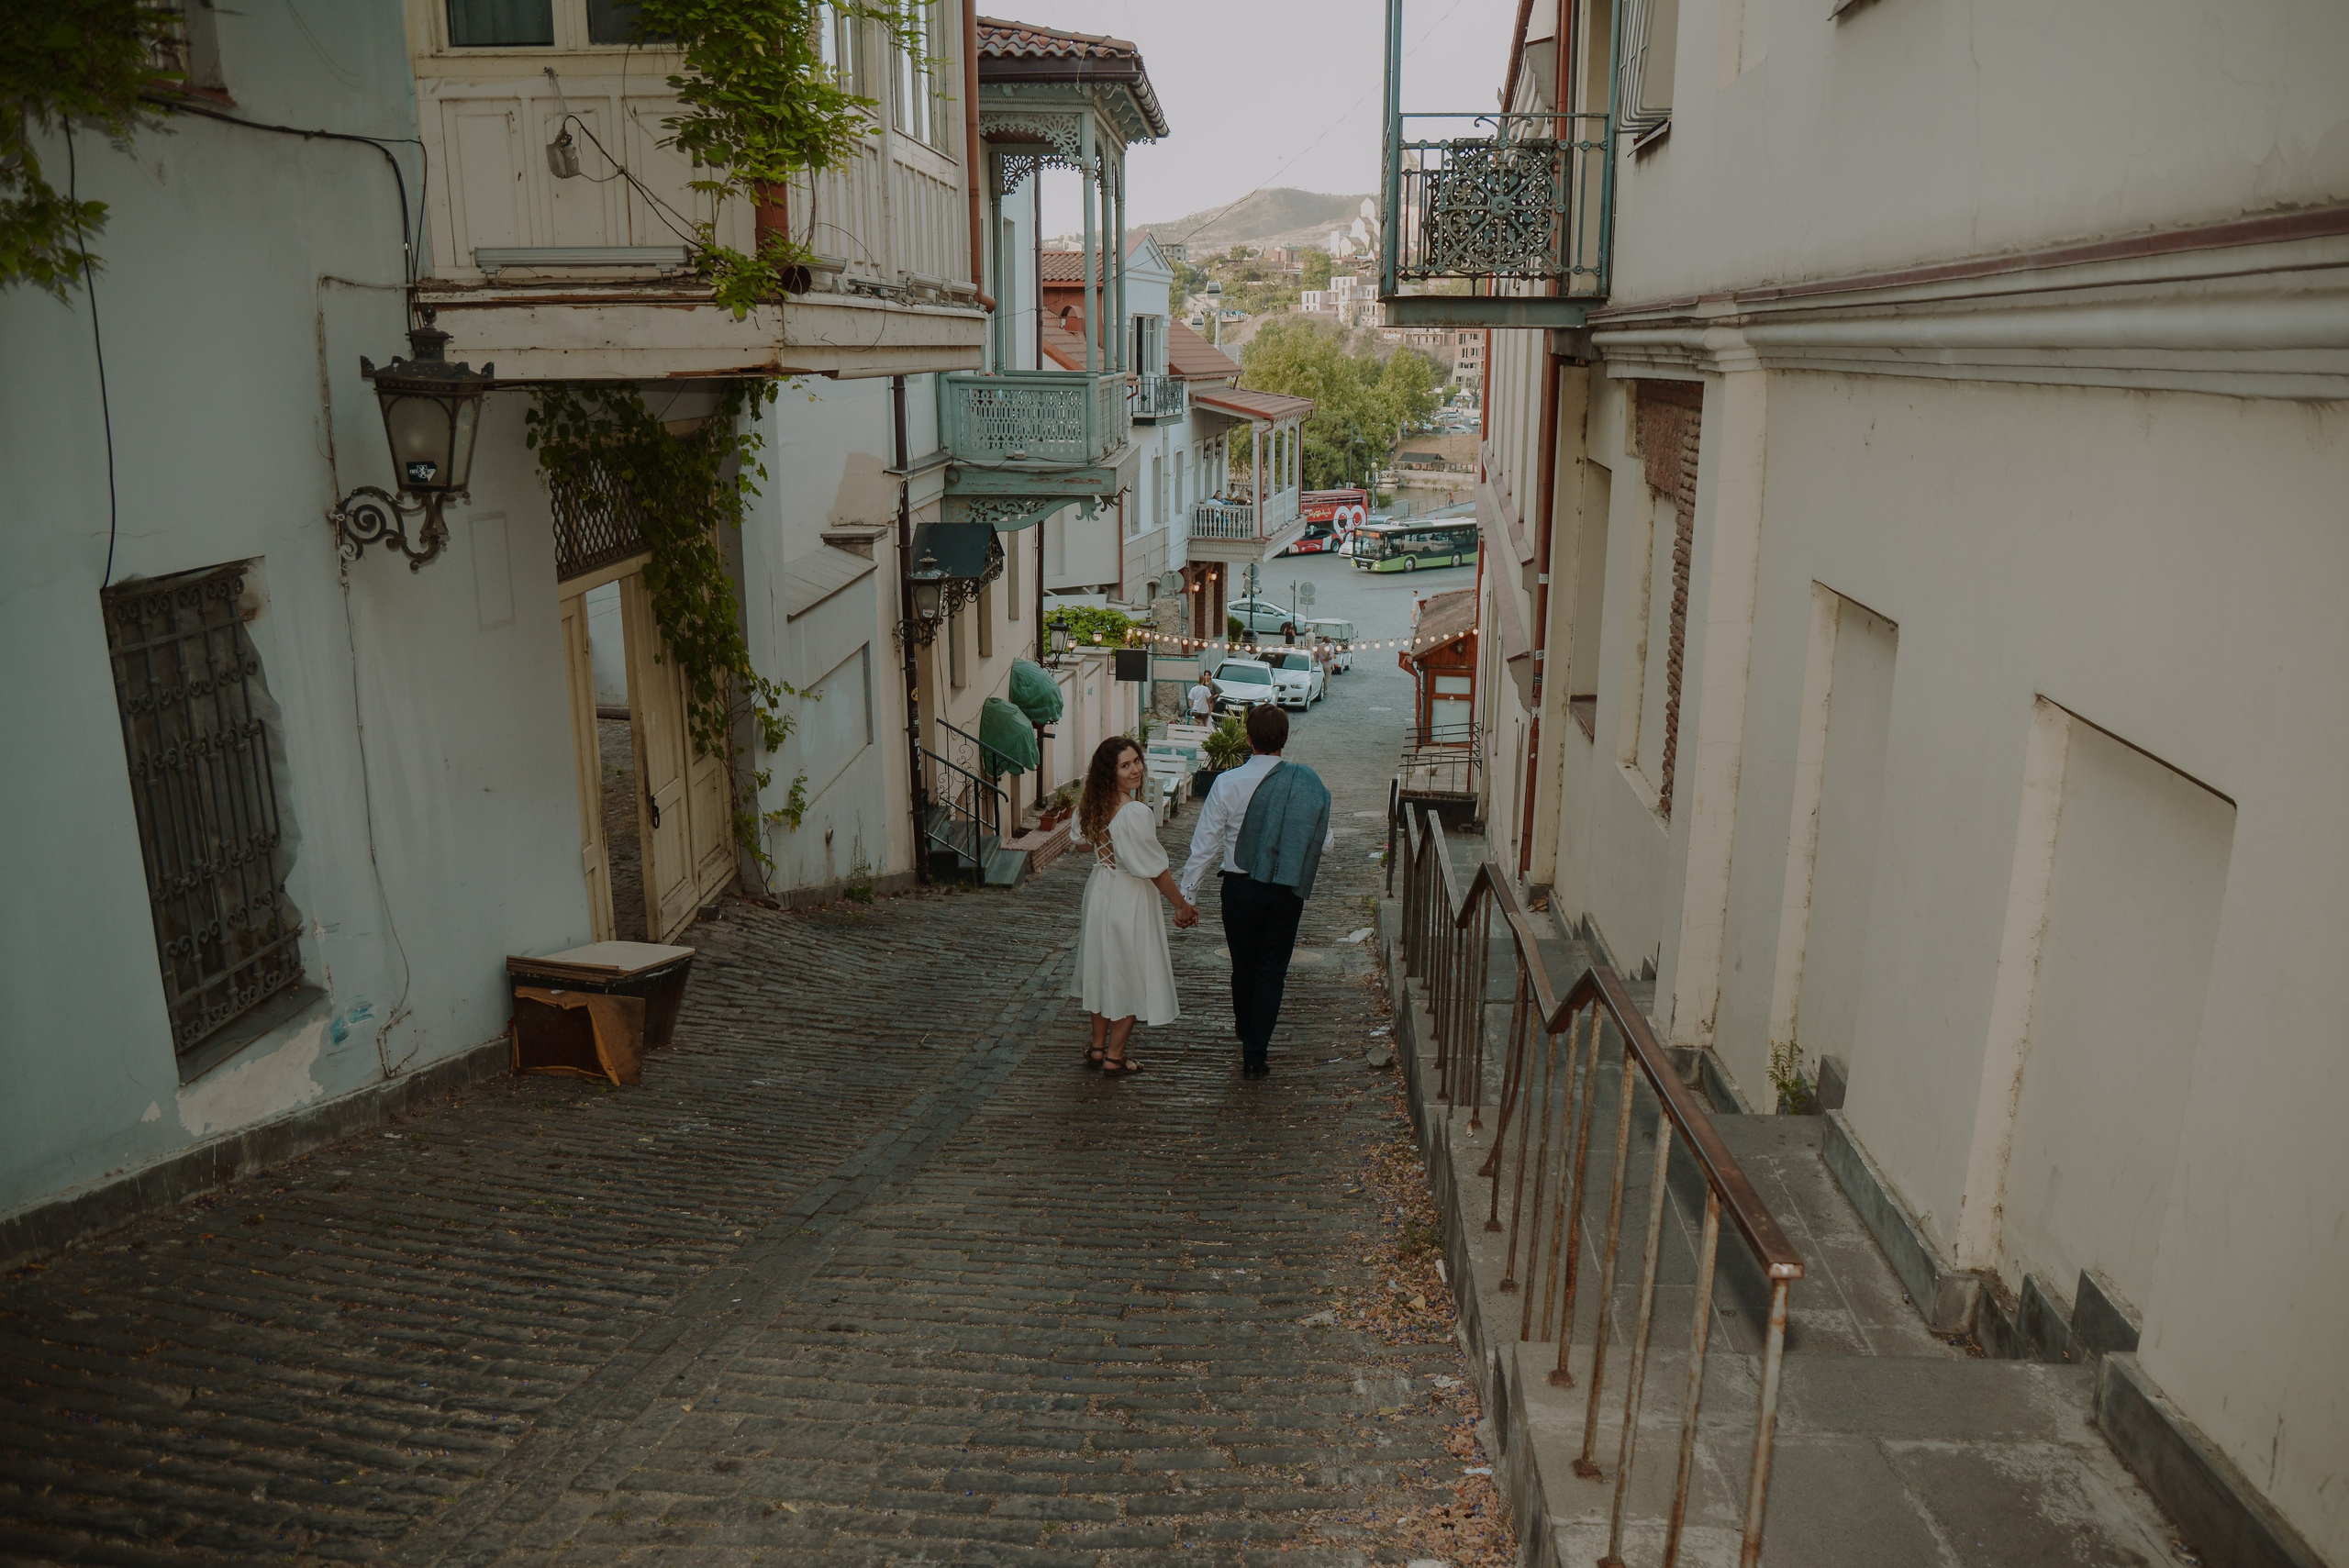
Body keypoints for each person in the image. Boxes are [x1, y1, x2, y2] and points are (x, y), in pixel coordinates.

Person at [1178, 705, 1333, 1078]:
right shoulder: (1304, 784)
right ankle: (1255, 1053)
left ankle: (1245, 1027)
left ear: (1248, 738)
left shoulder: (1226, 783)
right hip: (1284, 891)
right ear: (1285, 738)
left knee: (1243, 967)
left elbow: (1205, 844)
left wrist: (1188, 896)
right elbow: (1324, 844)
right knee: (1271, 971)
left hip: (1239, 890)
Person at [1071, 737, 1200, 1074]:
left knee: (1102, 967)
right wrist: (1181, 905)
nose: (1135, 770)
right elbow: (1154, 869)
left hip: (1100, 890)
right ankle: (1114, 1055)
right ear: (1110, 772)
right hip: (1129, 895)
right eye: (1125, 765)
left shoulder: (1091, 805)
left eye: (1136, 761)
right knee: (1131, 970)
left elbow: (1081, 846)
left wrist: (1104, 835)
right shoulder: (1135, 812)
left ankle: (1098, 1048)